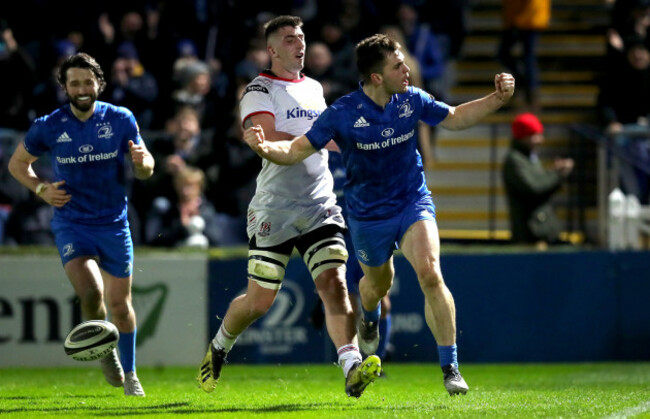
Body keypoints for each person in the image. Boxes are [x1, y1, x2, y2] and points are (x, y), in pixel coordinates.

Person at [243, 33, 516, 396]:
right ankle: (368, 319)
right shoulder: (342, 112)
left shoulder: (411, 99)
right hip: (368, 216)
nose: (406, 69)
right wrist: (265, 148)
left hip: (411, 202)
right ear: (376, 77)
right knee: (374, 289)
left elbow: (454, 117)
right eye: (397, 65)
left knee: (431, 272)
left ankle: (450, 367)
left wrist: (497, 99)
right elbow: (296, 150)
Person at [197, 15, 380, 399]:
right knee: (259, 302)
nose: (299, 44)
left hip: (319, 203)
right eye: (289, 38)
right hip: (275, 209)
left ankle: (350, 366)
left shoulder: (314, 87)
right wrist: (335, 144)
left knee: (333, 283)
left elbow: (323, 135)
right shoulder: (258, 90)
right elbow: (277, 141)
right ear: (272, 49)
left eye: (301, 37)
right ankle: (219, 345)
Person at [7, 52, 154, 396]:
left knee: (120, 305)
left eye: (88, 82)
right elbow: (17, 164)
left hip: (114, 223)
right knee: (90, 292)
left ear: (99, 83)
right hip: (72, 223)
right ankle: (104, 350)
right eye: (74, 83)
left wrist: (143, 162)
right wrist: (40, 189)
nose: (82, 88)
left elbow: (145, 168)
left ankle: (131, 373)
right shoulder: (49, 125)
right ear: (64, 87)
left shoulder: (121, 118)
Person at [502, 113, 574, 246]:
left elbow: (540, 182)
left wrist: (553, 172)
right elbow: (534, 188)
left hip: (542, 230)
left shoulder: (529, 157)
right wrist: (558, 175)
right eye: (535, 135)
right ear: (523, 136)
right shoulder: (515, 161)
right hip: (531, 234)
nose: (541, 140)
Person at [497, 0, 550, 110]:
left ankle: (530, 92)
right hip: (519, 17)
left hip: (528, 17)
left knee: (528, 58)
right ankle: (526, 86)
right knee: (506, 54)